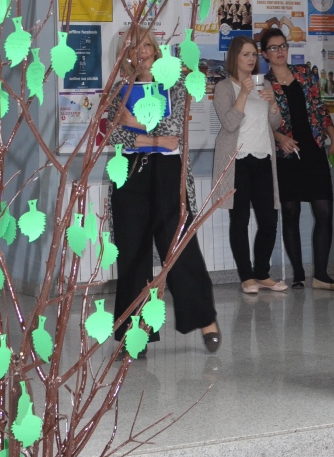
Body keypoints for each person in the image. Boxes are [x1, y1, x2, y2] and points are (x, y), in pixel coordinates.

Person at [107, 31, 221, 353]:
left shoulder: (176, 85)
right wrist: (149, 137)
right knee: (132, 253)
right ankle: (134, 334)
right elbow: (114, 136)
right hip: (129, 173)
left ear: (156, 50)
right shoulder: (118, 91)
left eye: (147, 45)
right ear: (126, 55)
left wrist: (134, 124)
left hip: (168, 173)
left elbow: (174, 134)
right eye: (134, 47)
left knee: (179, 247)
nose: (142, 51)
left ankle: (205, 319)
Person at [260, 29, 334, 290]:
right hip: (286, 154)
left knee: (324, 211)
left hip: (314, 149)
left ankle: (321, 275)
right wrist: (279, 137)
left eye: (283, 46)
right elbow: (260, 120)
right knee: (291, 212)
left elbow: (320, 107)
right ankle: (298, 273)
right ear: (265, 54)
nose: (280, 51)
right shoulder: (263, 83)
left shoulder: (305, 73)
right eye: (273, 48)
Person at [212, 36, 287, 294]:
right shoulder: (224, 87)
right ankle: (247, 277)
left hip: (264, 158)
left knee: (269, 220)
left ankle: (262, 273)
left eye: (253, 54)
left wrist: (273, 104)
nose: (251, 58)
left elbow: (274, 125)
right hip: (237, 162)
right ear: (234, 57)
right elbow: (230, 124)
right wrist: (243, 94)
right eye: (246, 54)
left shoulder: (263, 83)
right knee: (240, 220)